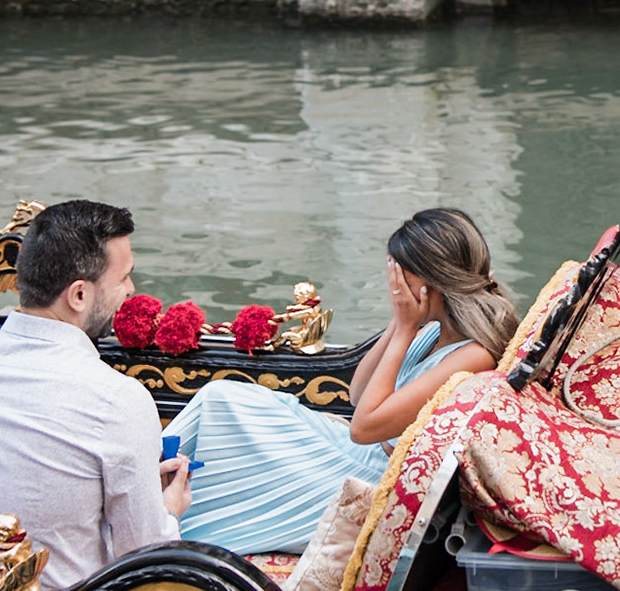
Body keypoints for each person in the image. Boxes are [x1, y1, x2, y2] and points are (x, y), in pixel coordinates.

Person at [167, 208, 517, 554]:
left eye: (400, 274)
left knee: (225, 409)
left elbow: (363, 427)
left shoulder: (474, 355)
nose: (393, 284)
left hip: (370, 478)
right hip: (358, 452)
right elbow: (357, 393)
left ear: (429, 279)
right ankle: (144, 489)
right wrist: (400, 324)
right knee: (222, 398)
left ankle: (153, 512)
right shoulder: (434, 330)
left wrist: (406, 328)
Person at [0, 200, 191, 591]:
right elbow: (146, 558)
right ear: (78, 295)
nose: (131, 290)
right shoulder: (118, 398)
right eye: (124, 278)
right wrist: (169, 512)